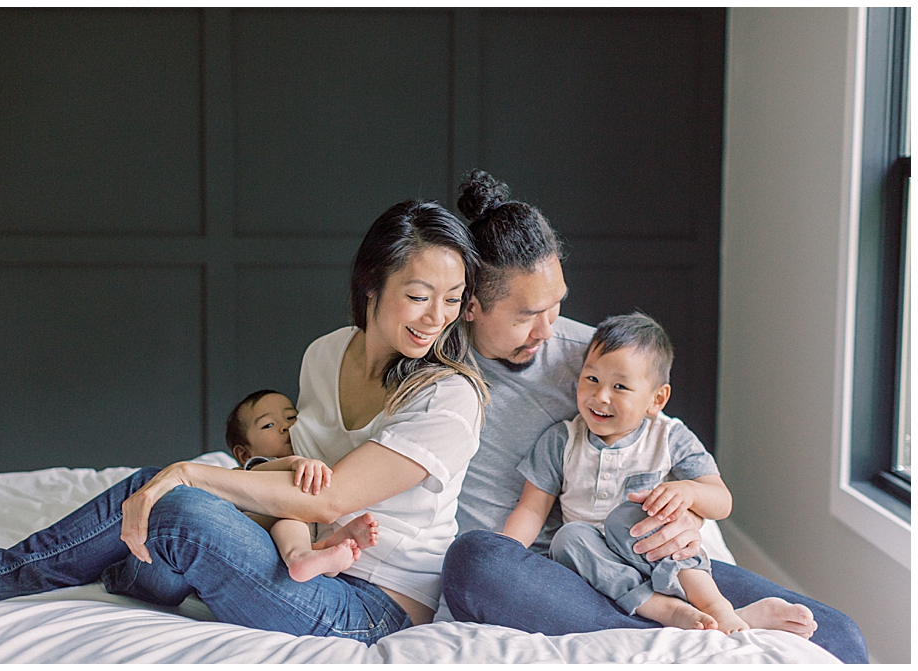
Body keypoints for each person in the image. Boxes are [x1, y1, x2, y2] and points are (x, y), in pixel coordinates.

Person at [0, 199, 488, 644]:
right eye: (419, 296)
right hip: (295, 556)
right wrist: (187, 478)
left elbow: (329, 500)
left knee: (177, 505)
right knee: (153, 491)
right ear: (371, 284)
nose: (436, 318)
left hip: (370, 606)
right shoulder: (326, 352)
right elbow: (293, 479)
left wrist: (192, 474)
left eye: (452, 299)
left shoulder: (448, 399)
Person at [439, 170, 868, 664]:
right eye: (526, 315)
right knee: (474, 560)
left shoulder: (597, 361)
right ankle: (662, 627)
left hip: (645, 554)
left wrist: (688, 514)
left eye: (556, 305)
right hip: (548, 573)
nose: (547, 328)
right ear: (469, 306)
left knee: (840, 637)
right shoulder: (434, 374)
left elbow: (669, 457)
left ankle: (676, 617)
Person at [503, 312, 755, 634]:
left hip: (658, 555)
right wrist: (505, 554)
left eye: (620, 386)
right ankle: (664, 609)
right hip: (599, 567)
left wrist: (689, 493)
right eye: (591, 379)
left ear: (656, 399)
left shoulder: (668, 437)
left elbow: (722, 501)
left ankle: (716, 606)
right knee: (567, 538)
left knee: (631, 517)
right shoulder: (561, 441)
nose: (601, 396)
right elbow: (531, 508)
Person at [223, 389, 381, 582]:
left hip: (288, 542)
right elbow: (262, 473)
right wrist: (294, 462)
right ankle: (300, 556)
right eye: (268, 425)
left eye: (291, 417)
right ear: (244, 454)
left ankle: (328, 551)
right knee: (291, 512)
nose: (285, 426)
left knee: (305, 522)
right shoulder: (255, 466)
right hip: (253, 526)